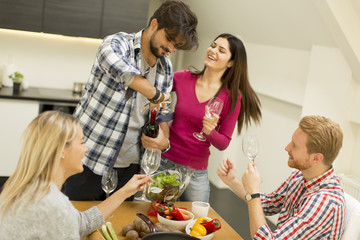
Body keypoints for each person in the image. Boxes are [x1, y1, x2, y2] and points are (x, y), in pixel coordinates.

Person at [63, 0, 198, 201]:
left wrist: (163, 140)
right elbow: (124, 73)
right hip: (89, 160)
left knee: (117, 228)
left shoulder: (166, 68)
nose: (171, 48)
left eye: (176, 45)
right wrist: (156, 95)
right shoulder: (117, 44)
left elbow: (161, 116)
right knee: (74, 226)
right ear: (154, 24)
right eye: (169, 39)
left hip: (130, 168)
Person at [0, 111, 151, 239]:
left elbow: (81, 223)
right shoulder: (53, 205)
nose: (86, 149)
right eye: (81, 142)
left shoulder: (29, 189)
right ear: (61, 150)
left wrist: (125, 191)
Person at [153, 33, 261, 202]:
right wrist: (162, 123)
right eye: (213, 45)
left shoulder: (232, 97)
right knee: (155, 221)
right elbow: (156, 95)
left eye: (221, 50)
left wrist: (210, 131)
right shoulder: (183, 78)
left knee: (199, 224)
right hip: (164, 164)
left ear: (231, 63)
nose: (213, 50)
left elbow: (223, 142)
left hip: (196, 173)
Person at [217, 115, 345, 239]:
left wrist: (253, 193)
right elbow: (269, 204)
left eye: (295, 145)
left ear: (316, 158)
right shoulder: (300, 176)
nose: (287, 148)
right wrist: (232, 181)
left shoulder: (325, 202)